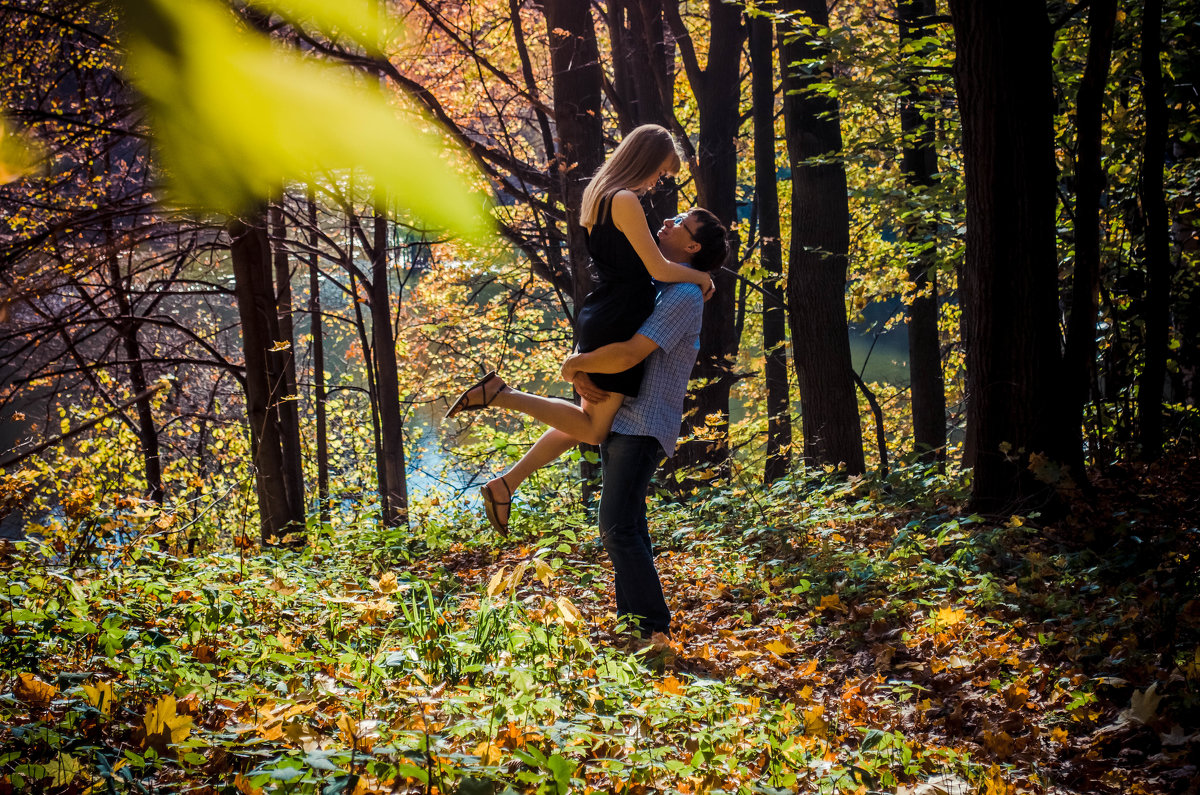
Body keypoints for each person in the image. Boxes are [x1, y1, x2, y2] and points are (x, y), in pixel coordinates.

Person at [445, 124, 716, 533]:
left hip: (605, 310)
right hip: (620, 315)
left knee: (585, 423)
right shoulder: (625, 199)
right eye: (659, 172)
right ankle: (501, 396)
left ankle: (505, 483)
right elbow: (656, 269)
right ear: (643, 158)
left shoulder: (599, 195)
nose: (656, 182)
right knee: (592, 429)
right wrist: (703, 278)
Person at [560, 210, 729, 638]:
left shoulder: (684, 295)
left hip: (644, 421)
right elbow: (608, 328)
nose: (668, 222)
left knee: (616, 527)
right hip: (622, 414)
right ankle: (633, 624)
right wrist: (583, 373)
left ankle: (654, 629)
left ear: (693, 247)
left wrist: (574, 366)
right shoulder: (660, 283)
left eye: (681, 223)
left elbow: (632, 352)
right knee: (629, 526)